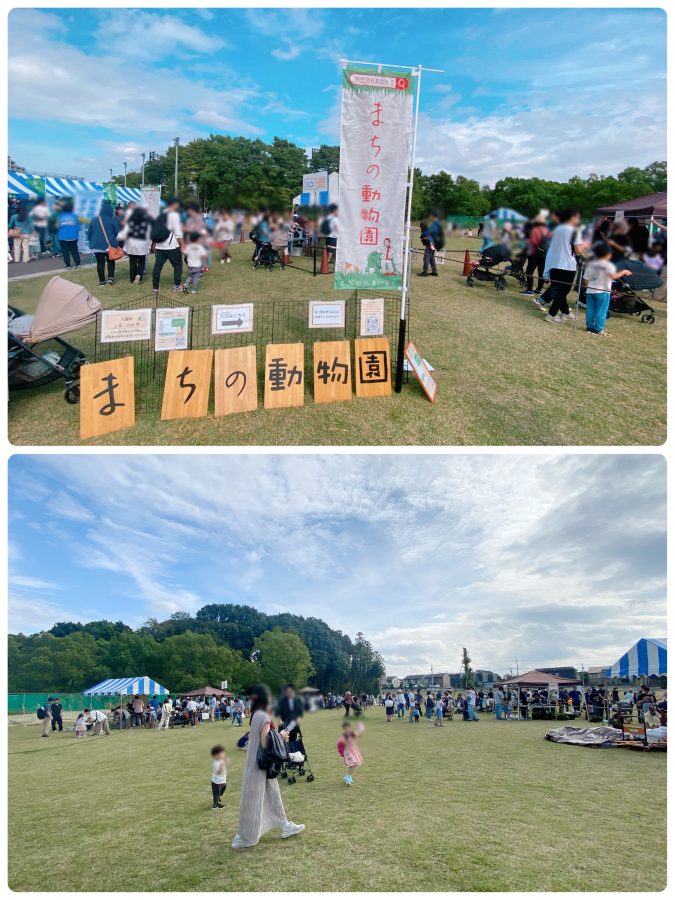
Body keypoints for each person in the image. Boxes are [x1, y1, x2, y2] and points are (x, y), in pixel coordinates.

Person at [231, 683, 304, 849]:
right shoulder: (263, 716)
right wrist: (281, 734)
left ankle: (284, 825)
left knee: (272, 795)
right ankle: (246, 835)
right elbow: (265, 743)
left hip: (256, 764)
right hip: (261, 765)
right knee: (254, 800)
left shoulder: (256, 714)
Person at [542, 208, 585, 324]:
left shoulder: (557, 229)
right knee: (563, 291)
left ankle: (565, 312)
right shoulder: (575, 230)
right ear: (572, 217)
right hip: (567, 265)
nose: (578, 220)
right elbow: (578, 250)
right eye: (577, 217)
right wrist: (585, 245)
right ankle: (551, 314)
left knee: (558, 290)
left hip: (554, 263)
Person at [583, 242, 632, 336]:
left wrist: (587, 288)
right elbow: (613, 276)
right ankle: (598, 329)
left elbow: (586, 279)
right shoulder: (608, 265)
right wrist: (624, 272)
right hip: (603, 291)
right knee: (601, 310)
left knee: (590, 309)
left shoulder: (590, 264)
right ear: (608, 255)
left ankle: (589, 327)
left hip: (590, 291)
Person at [151, 197, 184, 294]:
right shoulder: (174, 215)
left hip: (160, 246)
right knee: (178, 265)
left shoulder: (160, 214)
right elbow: (178, 233)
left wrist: (153, 243)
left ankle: (155, 288)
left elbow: (155, 230)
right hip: (172, 245)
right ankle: (177, 286)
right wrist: (182, 245)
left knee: (157, 267)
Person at [87, 201, 121, 286]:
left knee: (100, 263)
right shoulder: (112, 220)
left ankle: (102, 281)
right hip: (110, 245)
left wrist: (91, 243)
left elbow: (89, 233)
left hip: (97, 246)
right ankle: (111, 278)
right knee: (111, 261)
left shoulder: (93, 220)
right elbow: (117, 232)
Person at [119, 206, 152, 284]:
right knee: (141, 262)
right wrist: (149, 245)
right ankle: (139, 275)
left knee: (132, 263)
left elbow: (123, 234)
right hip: (142, 246)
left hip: (131, 246)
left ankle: (132, 278)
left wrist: (116, 238)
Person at [521, 212, 550, 296]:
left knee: (529, 271)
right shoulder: (548, 230)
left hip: (535, 254)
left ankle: (529, 290)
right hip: (545, 255)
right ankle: (538, 290)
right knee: (541, 273)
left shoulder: (535, 230)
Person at [56, 200, 81, 270]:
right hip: (73, 236)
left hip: (63, 237)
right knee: (74, 250)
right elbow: (78, 226)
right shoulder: (75, 216)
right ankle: (78, 264)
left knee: (65, 252)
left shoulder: (60, 216)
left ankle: (68, 265)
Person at [338, 719, 364, 786]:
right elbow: (340, 744)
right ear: (344, 729)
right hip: (348, 753)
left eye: (348, 727)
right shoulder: (343, 736)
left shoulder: (352, 734)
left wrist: (360, 728)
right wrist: (342, 753)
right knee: (354, 763)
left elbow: (359, 735)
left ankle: (348, 776)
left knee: (355, 764)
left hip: (354, 751)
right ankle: (347, 776)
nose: (347, 729)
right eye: (346, 728)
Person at [210, 745, 228, 810]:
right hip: (216, 782)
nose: (223, 754)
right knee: (217, 792)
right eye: (221, 753)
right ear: (216, 755)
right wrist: (221, 766)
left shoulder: (221, 761)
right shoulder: (215, 763)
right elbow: (219, 773)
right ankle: (216, 805)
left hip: (222, 781)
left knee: (224, 787)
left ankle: (216, 796)